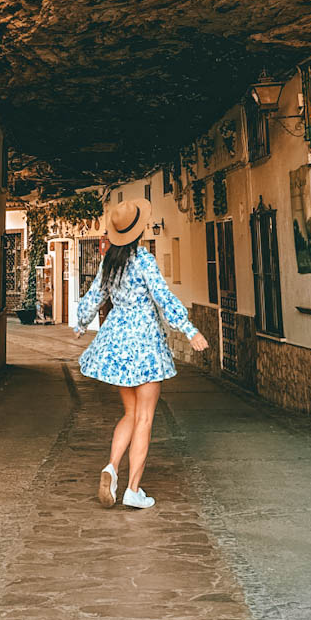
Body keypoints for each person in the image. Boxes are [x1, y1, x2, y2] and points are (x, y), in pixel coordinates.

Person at [72, 198, 208, 510]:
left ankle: (111, 467)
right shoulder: (144, 260)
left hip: (117, 344)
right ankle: (133, 489)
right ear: (139, 230)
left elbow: (94, 297)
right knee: (145, 418)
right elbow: (163, 297)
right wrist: (190, 330)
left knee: (130, 414)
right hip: (146, 346)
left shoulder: (110, 262)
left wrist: (80, 322)